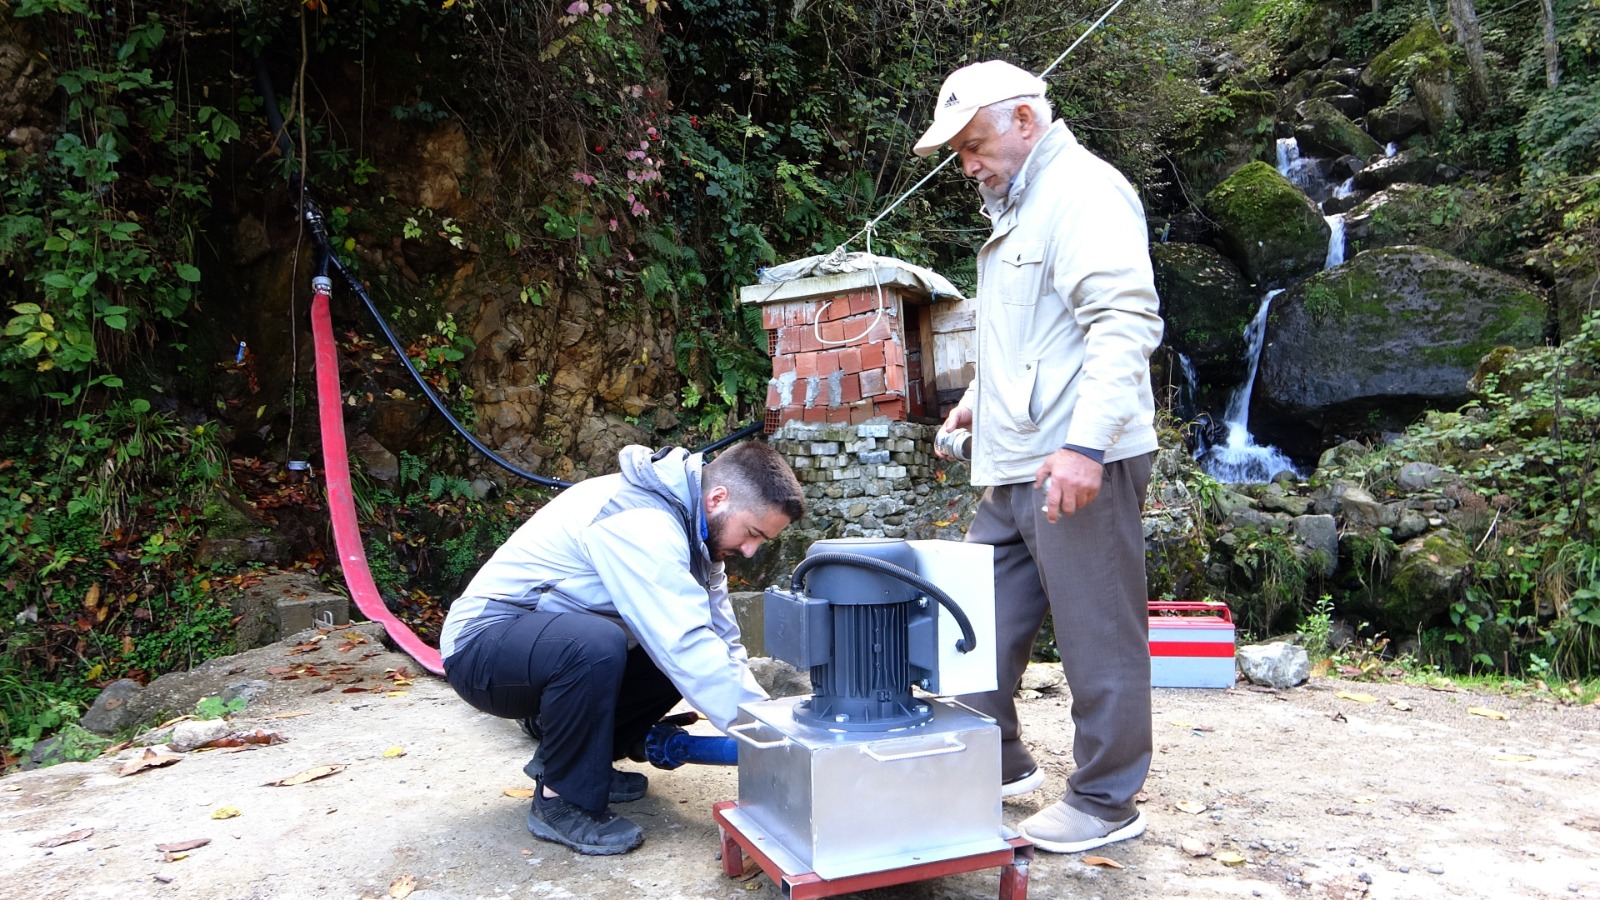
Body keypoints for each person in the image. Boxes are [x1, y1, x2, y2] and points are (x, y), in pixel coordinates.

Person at [915, 60, 1164, 854]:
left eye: (975, 145)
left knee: (1097, 629)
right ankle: (996, 757)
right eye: (958, 153)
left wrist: (1086, 447)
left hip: (1076, 455)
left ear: (1025, 120)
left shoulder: (1084, 193)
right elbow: (1031, 331)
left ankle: (1105, 799)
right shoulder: (1023, 203)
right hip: (1017, 457)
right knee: (970, 620)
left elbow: (1123, 322)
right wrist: (979, 396)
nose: (968, 166)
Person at [439, 441, 805, 856]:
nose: (750, 550)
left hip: (545, 650)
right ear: (717, 498)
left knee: (655, 653)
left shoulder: (699, 543)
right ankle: (563, 802)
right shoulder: (640, 520)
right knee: (599, 643)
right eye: (754, 533)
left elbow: (721, 643)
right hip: (482, 649)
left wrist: (769, 726)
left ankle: (584, 763)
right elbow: (683, 642)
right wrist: (768, 742)